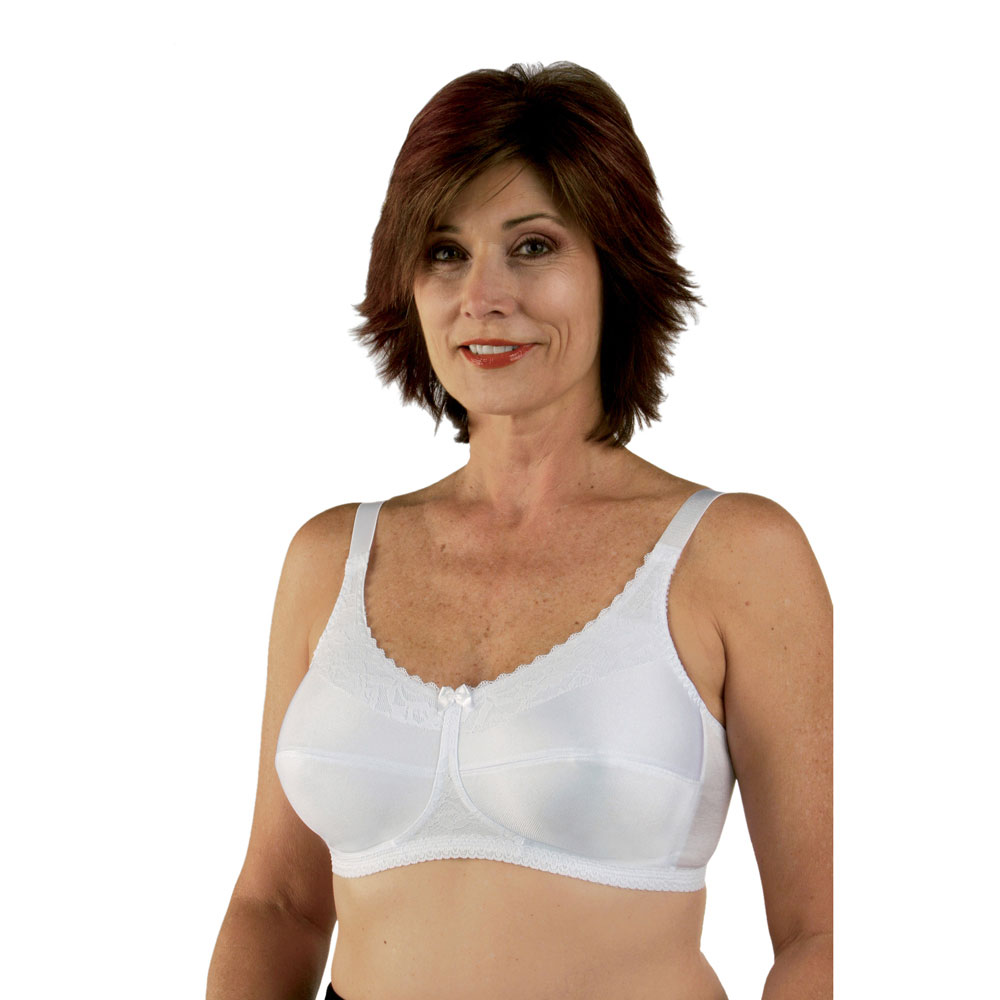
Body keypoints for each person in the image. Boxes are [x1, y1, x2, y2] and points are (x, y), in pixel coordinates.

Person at [207, 61, 832, 1000]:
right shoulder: (331, 560)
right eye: (445, 252)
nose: (482, 296)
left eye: (532, 246)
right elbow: (278, 906)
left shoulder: (735, 556)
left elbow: (820, 934)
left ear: (615, 267)